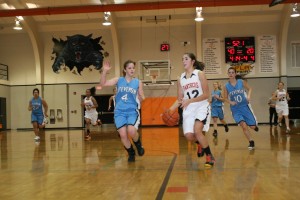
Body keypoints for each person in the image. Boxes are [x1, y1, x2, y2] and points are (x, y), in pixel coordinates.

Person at [170, 53, 215, 167]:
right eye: (182, 59)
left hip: (201, 106)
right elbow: (180, 99)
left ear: (193, 61)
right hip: (188, 109)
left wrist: (190, 100)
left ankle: (209, 157)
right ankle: (199, 144)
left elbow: (206, 95)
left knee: (197, 131)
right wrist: (170, 109)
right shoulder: (180, 78)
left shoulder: (200, 74)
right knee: (189, 136)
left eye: (186, 59)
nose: (183, 61)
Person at [100, 60, 145, 162]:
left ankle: (138, 145)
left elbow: (142, 95)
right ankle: (131, 153)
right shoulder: (119, 80)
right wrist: (104, 71)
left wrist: (141, 97)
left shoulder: (138, 82)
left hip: (132, 111)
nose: (132, 69)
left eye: (133, 68)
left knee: (131, 130)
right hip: (119, 112)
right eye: (129, 68)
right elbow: (103, 83)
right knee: (123, 134)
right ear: (125, 70)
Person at [223, 67, 258, 150]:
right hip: (235, 109)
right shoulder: (226, 86)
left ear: (235, 74)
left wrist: (248, 96)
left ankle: (254, 126)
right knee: (243, 126)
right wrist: (230, 102)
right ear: (228, 74)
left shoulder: (241, 82)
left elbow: (250, 89)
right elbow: (225, 98)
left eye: (232, 72)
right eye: (229, 73)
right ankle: (251, 141)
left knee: (252, 126)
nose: (231, 74)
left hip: (244, 107)